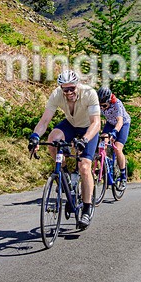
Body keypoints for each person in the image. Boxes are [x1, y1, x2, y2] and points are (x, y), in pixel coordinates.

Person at [29, 70, 101, 229]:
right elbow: (45, 120)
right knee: (52, 139)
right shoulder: (57, 95)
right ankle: (65, 173)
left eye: (72, 88)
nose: (69, 92)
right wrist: (34, 136)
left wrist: (85, 139)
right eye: (65, 89)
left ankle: (87, 208)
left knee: (84, 167)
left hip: (88, 129)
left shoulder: (89, 93)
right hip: (70, 124)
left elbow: (96, 122)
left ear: (77, 85)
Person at [97, 87, 131, 189]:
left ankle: (123, 176)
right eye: (100, 105)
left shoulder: (117, 104)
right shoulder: (99, 104)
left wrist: (115, 132)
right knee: (102, 145)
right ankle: (107, 168)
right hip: (110, 123)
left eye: (104, 105)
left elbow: (120, 121)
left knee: (117, 148)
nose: (102, 108)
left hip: (123, 124)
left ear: (109, 101)